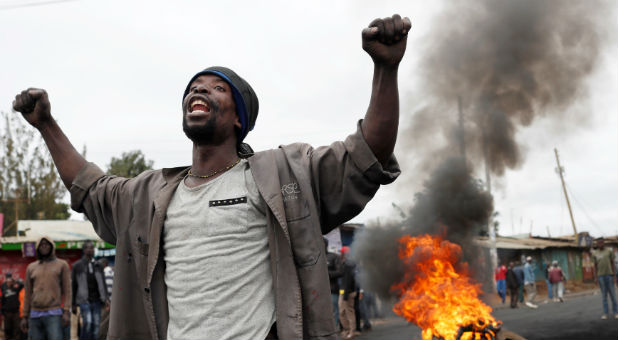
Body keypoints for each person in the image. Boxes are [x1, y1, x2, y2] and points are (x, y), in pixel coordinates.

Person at [12, 14, 409, 340]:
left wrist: (385, 68)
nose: (199, 91)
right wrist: (46, 124)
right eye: (194, 88)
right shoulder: (147, 196)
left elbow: (365, 155)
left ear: (239, 117)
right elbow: (90, 187)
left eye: (217, 88)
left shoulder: (282, 174)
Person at [20, 236, 71, 340]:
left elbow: (68, 290)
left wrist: (66, 312)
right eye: (41, 244)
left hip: (54, 313)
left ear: (52, 247)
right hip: (34, 314)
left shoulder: (62, 265)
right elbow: (27, 294)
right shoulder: (31, 267)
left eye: (47, 244)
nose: (44, 246)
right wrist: (24, 316)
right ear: (37, 248)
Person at [72, 241, 108, 340]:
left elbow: (103, 283)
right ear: (84, 250)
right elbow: (74, 285)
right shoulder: (77, 266)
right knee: (87, 322)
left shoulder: (98, 265)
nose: (90, 249)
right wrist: (73, 304)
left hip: (97, 300)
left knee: (96, 325)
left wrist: (106, 299)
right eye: (88, 248)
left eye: (92, 247)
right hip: (84, 300)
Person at [592, 238, 617, 319]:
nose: (600, 244)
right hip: (601, 277)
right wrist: (595, 277)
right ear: (597, 244)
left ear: (604, 243)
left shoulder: (609, 251)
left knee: (613, 295)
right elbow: (595, 266)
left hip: (609, 275)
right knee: (604, 296)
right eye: (599, 243)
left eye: (602, 242)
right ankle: (605, 314)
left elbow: (612, 263)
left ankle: (615, 313)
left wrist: (614, 275)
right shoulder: (595, 253)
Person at [338, 246, 357, 340]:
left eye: (341, 253)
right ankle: (347, 330)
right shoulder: (344, 263)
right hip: (343, 291)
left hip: (348, 292)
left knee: (349, 312)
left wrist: (345, 294)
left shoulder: (350, 264)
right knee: (341, 312)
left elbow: (349, 281)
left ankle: (352, 332)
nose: (340, 254)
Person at [325, 238, 343, 330]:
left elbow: (340, 272)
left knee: (334, 310)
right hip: (319, 291)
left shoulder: (334, 257)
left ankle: (335, 329)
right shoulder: (315, 258)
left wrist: (327, 274)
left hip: (332, 290)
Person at [2, 273, 24, 340]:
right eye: (7, 278)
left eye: (10, 278)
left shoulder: (16, 285)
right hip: (7, 312)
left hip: (16, 311)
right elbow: (3, 299)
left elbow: (22, 285)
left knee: (16, 328)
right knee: (7, 328)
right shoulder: (3, 286)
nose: (9, 280)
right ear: (5, 278)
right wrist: (2, 312)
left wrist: (15, 282)